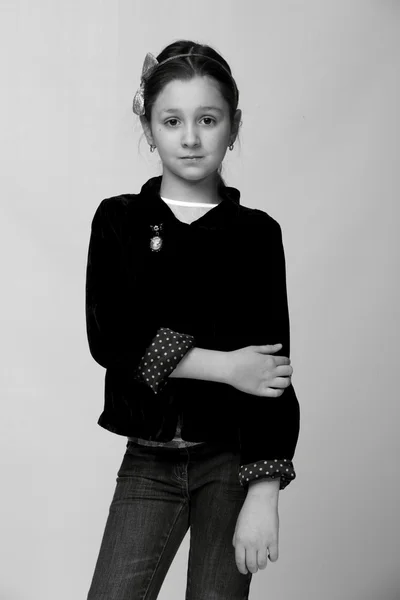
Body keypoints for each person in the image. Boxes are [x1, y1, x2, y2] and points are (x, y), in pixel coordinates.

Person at [85, 39, 300, 600]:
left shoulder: (256, 234)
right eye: (172, 120)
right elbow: (112, 337)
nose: (190, 137)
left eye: (207, 119)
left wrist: (265, 492)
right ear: (149, 125)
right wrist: (225, 367)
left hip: (232, 464)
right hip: (148, 460)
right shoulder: (120, 221)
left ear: (233, 125)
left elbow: (272, 373)